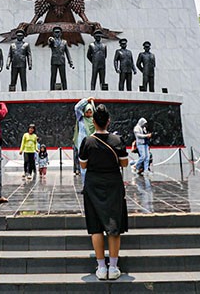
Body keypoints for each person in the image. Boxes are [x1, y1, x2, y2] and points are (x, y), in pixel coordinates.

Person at [78, 104, 129, 281]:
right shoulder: (117, 140)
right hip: (113, 184)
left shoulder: (87, 141)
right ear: (109, 121)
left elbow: (83, 165)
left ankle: (101, 267)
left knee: (96, 227)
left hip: (93, 185)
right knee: (114, 224)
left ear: (93, 121)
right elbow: (124, 163)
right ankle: (113, 267)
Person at [72, 97, 96, 178]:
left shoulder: (94, 120)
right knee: (83, 165)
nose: (89, 113)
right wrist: (86, 100)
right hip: (82, 145)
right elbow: (77, 108)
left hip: (92, 145)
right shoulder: (81, 118)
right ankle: (85, 185)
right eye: (87, 111)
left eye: (90, 111)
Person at [48, 26, 74, 90]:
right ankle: (52, 89)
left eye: (58, 32)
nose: (57, 34)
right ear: (53, 33)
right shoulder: (52, 41)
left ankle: (65, 89)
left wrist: (70, 62)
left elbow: (67, 52)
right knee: (53, 77)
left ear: (61, 33)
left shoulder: (64, 42)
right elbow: (49, 43)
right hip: (54, 61)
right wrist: (50, 39)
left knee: (63, 77)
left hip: (62, 61)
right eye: (55, 32)